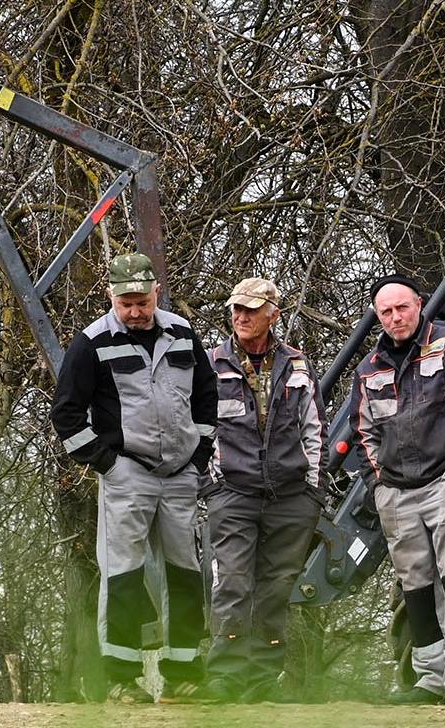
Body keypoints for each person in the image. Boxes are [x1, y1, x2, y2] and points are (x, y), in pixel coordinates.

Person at [50, 251, 216, 703]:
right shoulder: (92, 342)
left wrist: (200, 454)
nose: (136, 311)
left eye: (142, 300)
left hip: (181, 476)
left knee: (185, 572)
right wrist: (107, 464)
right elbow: (65, 414)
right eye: (126, 303)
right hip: (128, 475)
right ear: (111, 296)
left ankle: (184, 674)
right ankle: (120, 678)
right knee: (122, 574)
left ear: (155, 291)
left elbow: (206, 396)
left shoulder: (182, 332)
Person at [353, 274, 445, 704]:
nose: (396, 317)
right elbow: (363, 432)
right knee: (415, 587)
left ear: (419, 304)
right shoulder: (369, 370)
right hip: (396, 493)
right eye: (386, 312)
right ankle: (430, 677)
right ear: (377, 317)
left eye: (402, 307)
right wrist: (378, 484)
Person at [201, 277, 323, 701]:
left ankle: (262, 679)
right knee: (232, 583)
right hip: (233, 494)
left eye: (251, 310)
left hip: (290, 497)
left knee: (275, 589)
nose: (241, 317)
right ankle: (224, 676)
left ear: (273, 314)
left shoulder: (299, 366)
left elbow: (314, 430)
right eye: (236, 309)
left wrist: (312, 490)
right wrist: (211, 487)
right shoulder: (211, 365)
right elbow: (198, 432)